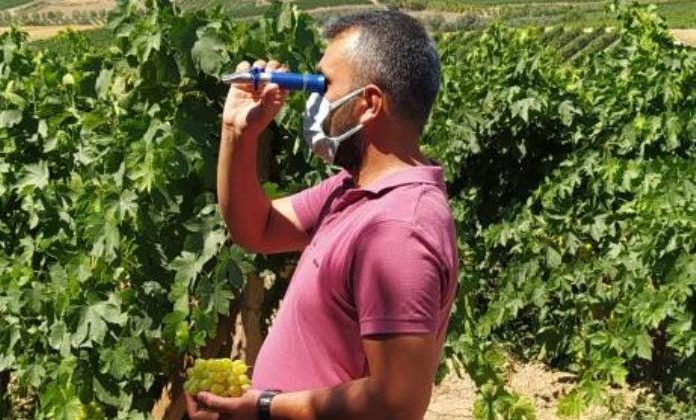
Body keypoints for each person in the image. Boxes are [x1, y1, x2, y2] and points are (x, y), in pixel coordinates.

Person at [186, 10, 458, 420]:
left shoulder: (396, 230)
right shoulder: (354, 190)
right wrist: (237, 132)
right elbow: (256, 228)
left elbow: (397, 402)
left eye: (323, 85)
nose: (314, 102)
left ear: (368, 104)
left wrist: (262, 407)